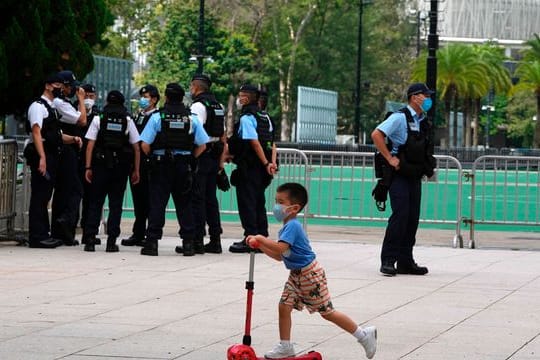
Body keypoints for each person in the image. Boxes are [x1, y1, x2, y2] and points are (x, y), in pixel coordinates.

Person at [246, 183, 377, 359]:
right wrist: (260, 246)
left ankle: (363, 335)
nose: (276, 206)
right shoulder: (286, 227)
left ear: (294, 208)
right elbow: (280, 256)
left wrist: (261, 239)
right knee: (284, 306)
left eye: (281, 202)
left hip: (310, 275)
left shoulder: (293, 226)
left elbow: (280, 248)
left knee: (327, 312)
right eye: (276, 201)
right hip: (296, 276)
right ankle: (285, 345)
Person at [370, 83, 436, 276]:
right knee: (400, 216)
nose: (428, 99)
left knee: (412, 218)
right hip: (398, 175)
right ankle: (388, 260)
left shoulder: (423, 121)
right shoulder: (399, 117)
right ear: (414, 97)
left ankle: (406, 261)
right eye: (425, 95)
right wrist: (390, 158)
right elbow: (377, 134)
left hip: (414, 175)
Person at [139, 83, 209, 256]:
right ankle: (188, 244)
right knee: (184, 205)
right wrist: (190, 157)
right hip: (183, 166)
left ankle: (152, 243)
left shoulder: (158, 117)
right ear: (182, 97)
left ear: (166, 97)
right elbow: (203, 145)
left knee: (157, 204)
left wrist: (153, 156)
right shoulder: (191, 118)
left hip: (161, 165)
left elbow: (145, 145)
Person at [24, 73, 81, 248]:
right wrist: (42, 157)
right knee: (40, 196)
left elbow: (55, 135)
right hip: (43, 153)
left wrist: (73, 139)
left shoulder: (51, 108)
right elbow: (36, 132)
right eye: (56, 84)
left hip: (51, 154)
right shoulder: (38, 106)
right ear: (48, 86)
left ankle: (44, 233)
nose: (60, 88)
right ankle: (38, 236)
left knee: (46, 195)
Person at [82, 90, 140, 252]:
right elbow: (136, 147)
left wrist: (88, 167)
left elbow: (90, 146)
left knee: (95, 202)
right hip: (120, 168)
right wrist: (136, 169)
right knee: (116, 204)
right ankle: (111, 241)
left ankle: (90, 239)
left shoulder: (98, 118)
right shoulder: (127, 120)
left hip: (100, 165)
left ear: (107, 101)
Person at [228, 84, 278, 253]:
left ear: (247, 98)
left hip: (249, 167)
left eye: (241, 95)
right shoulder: (266, 117)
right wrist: (271, 163)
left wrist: (265, 163)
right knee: (258, 203)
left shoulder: (247, 118)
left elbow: (254, 142)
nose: (239, 98)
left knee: (247, 203)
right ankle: (262, 237)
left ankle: (251, 238)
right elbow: (272, 143)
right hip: (262, 169)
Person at [187, 74, 226, 254]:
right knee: (211, 200)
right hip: (215, 155)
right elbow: (224, 137)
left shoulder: (198, 106)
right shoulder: (218, 106)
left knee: (197, 198)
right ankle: (215, 240)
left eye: (191, 86)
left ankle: (197, 241)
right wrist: (221, 164)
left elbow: (196, 132)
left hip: (202, 155)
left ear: (196, 87)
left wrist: (193, 157)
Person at [121, 84, 160, 247]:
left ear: (155, 99)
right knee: (138, 198)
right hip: (136, 162)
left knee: (150, 199)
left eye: (147, 97)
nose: (143, 100)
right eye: (142, 97)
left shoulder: (157, 116)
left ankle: (149, 234)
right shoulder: (139, 116)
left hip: (150, 162)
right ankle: (138, 232)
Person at [50, 70, 86, 246]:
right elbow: (82, 121)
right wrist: (81, 99)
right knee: (73, 189)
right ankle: (63, 224)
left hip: (69, 149)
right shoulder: (59, 103)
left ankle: (62, 230)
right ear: (63, 86)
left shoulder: (63, 102)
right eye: (71, 86)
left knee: (66, 191)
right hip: (65, 150)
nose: (73, 89)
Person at [79, 83, 99, 240]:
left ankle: (88, 232)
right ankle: (67, 230)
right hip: (75, 158)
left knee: (91, 198)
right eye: (85, 96)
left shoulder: (99, 115)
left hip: (91, 162)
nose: (88, 99)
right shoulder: (73, 110)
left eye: (91, 96)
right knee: (72, 196)